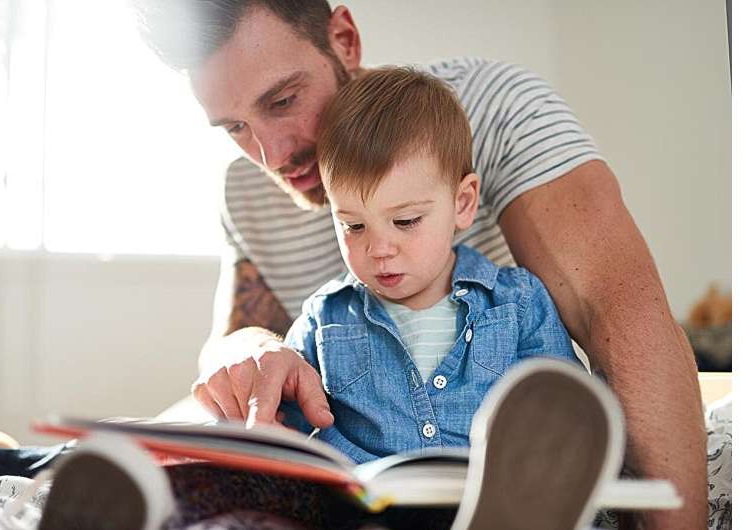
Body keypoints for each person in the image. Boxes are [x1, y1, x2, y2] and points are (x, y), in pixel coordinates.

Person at [141, 1, 709, 528]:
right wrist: (248, 352)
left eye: (282, 100)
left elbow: (621, 315)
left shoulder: (491, 107)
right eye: (234, 128)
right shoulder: (243, 191)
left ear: (343, 38)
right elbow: (228, 350)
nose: (270, 155)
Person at [277, 65, 583, 463]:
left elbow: (572, 416)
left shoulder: (518, 303)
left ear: (463, 203)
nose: (379, 249)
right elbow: (280, 434)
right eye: (353, 225)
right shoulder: (324, 319)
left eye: (405, 222)